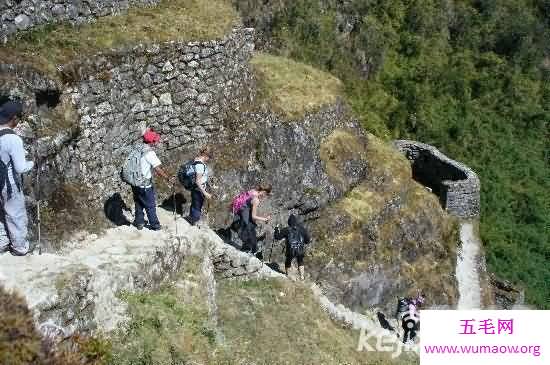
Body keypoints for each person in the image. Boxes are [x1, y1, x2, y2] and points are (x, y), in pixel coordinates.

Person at [0, 101, 34, 256]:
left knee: (1, 214)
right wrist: (33, 163)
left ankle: (3, 242)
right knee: (16, 214)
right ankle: (20, 248)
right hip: (9, 183)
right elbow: (20, 168)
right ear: (14, 118)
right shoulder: (13, 140)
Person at [124, 129, 174, 231]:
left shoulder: (137, 148)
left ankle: (139, 223)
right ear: (151, 142)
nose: (157, 142)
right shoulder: (149, 153)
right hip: (145, 185)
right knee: (150, 205)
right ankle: (155, 225)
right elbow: (158, 169)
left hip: (135, 182)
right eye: (155, 140)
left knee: (138, 202)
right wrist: (168, 178)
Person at [231, 184, 272, 256]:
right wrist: (265, 219)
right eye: (266, 194)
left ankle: (251, 249)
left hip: (238, 214)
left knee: (251, 228)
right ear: (264, 192)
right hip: (243, 218)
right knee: (249, 232)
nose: (265, 196)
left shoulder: (252, 191)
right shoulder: (256, 200)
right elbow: (253, 216)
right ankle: (249, 250)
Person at [274, 214, 311, 280]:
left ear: (289, 222)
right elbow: (307, 240)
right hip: (300, 249)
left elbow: (277, 237)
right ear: (296, 222)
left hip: (290, 250)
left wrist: (276, 229)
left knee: (288, 261)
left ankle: (288, 275)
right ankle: (302, 277)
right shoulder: (302, 229)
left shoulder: (286, 229)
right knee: (300, 261)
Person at [184, 147, 212, 226]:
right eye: (209, 158)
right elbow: (197, 181)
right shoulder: (200, 165)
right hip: (198, 189)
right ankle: (193, 222)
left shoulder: (195, 160)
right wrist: (205, 193)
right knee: (197, 206)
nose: (208, 160)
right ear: (206, 156)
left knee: (194, 204)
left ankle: (191, 218)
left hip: (194, 188)